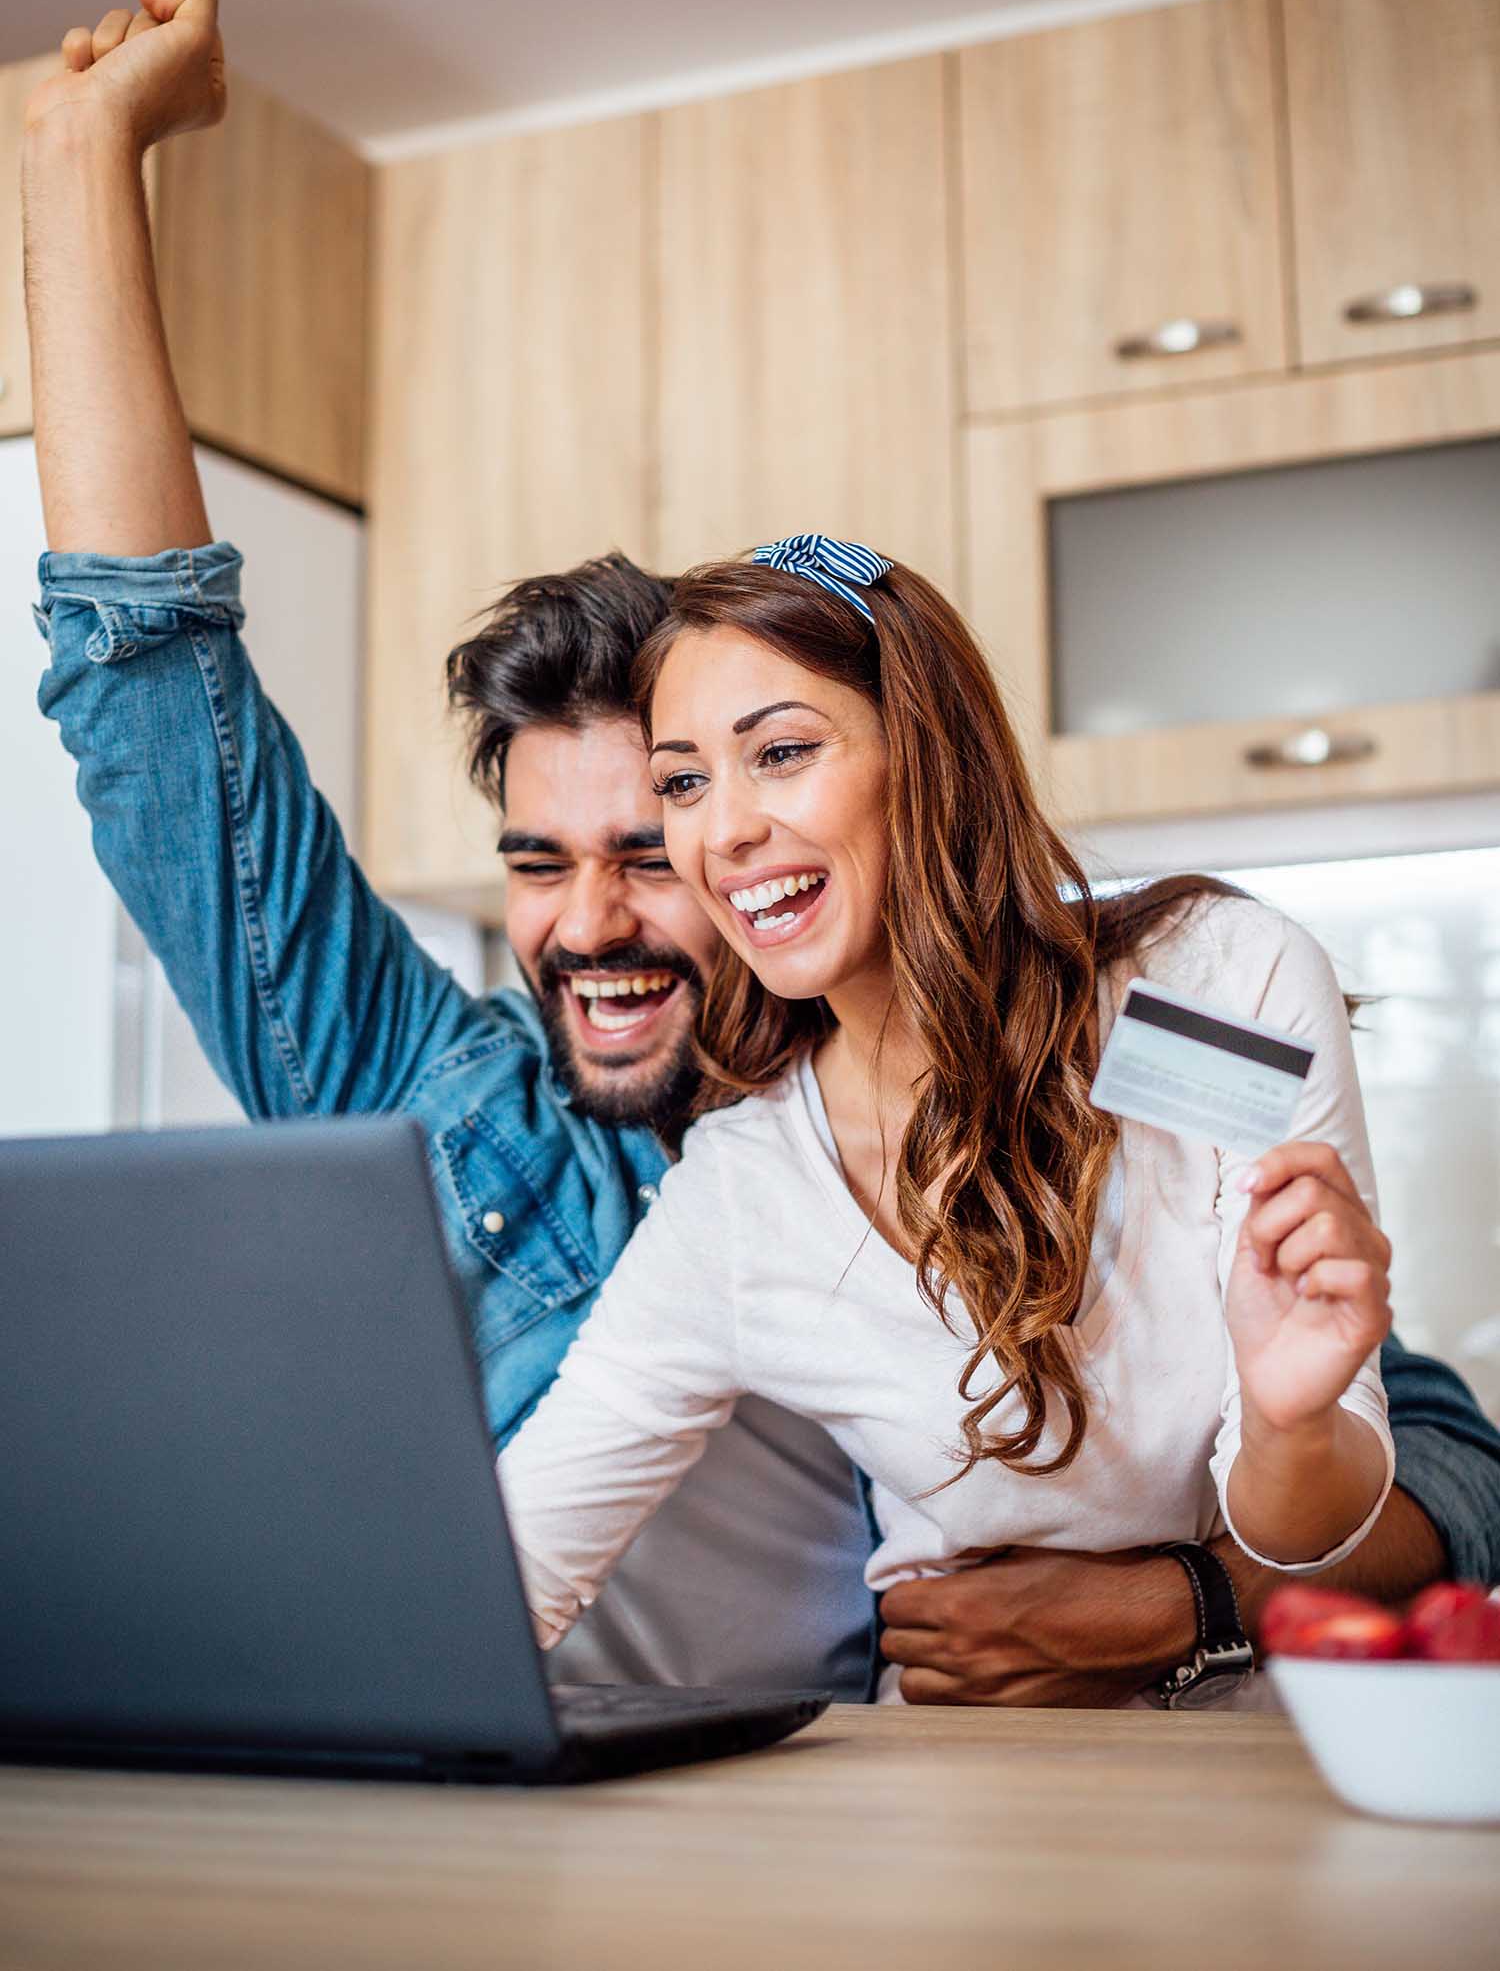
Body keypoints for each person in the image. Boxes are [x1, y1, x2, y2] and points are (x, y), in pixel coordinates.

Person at [20, 0, 1500, 1707]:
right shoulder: (465, 1112)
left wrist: (1188, 1597)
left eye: (659, 838)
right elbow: (147, 697)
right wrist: (76, 158)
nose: (597, 925)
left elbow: (1435, 1469)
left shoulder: (1126, 1033)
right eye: (537, 862)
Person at [493, 545, 1497, 1702]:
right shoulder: (741, 1190)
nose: (723, 833)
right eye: (683, 784)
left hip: (1248, 1763)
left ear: (924, 755)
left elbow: (1300, 1539)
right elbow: (521, 1560)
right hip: (953, 1771)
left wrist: (1286, 1422)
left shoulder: (1197, 994)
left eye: (781, 753)